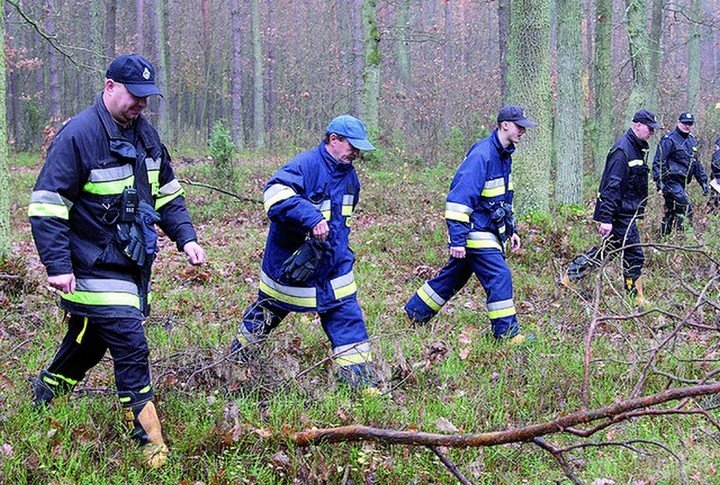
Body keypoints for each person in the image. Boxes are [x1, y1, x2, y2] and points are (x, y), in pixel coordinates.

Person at [27, 54, 206, 468]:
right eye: (134, 95)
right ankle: (148, 441)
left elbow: (167, 193)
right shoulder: (79, 135)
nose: (141, 104)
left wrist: (186, 238)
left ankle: (47, 392)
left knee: (90, 340)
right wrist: (58, 266)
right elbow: (46, 206)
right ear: (109, 87)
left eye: (147, 98)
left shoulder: (146, 135)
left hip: (130, 264)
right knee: (130, 343)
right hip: (89, 264)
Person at [230, 115, 380, 393]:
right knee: (267, 312)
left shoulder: (350, 177)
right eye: (352, 146)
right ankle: (235, 361)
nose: (356, 153)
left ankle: (362, 384)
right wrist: (310, 218)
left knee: (347, 314)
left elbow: (341, 223)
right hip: (291, 266)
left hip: (333, 266)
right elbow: (274, 195)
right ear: (333, 140)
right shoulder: (304, 165)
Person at [404, 105, 532, 343]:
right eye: (519, 126)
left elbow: (502, 199)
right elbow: (459, 199)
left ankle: (414, 313)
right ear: (505, 125)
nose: (523, 131)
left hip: (487, 229)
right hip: (476, 231)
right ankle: (506, 334)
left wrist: (511, 230)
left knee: (453, 277)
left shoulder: (504, 155)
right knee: (500, 276)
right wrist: (458, 239)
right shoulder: (482, 155)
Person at [561, 109, 660, 304]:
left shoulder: (637, 149)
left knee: (607, 250)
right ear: (637, 125)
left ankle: (569, 278)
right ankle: (635, 297)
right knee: (634, 253)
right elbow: (611, 187)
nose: (652, 133)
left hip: (627, 212)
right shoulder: (622, 150)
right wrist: (606, 219)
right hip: (620, 214)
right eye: (650, 128)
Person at [651, 112, 709, 236]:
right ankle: (684, 235)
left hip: (682, 182)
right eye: (684, 123)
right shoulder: (669, 139)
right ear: (678, 122)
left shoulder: (692, 141)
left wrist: (703, 181)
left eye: (690, 124)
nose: (687, 126)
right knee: (686, 207)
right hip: (670, 181)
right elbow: (659, 161)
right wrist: (659, 180)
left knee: (671, 211)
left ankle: (663, 236)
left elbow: (696, 164)